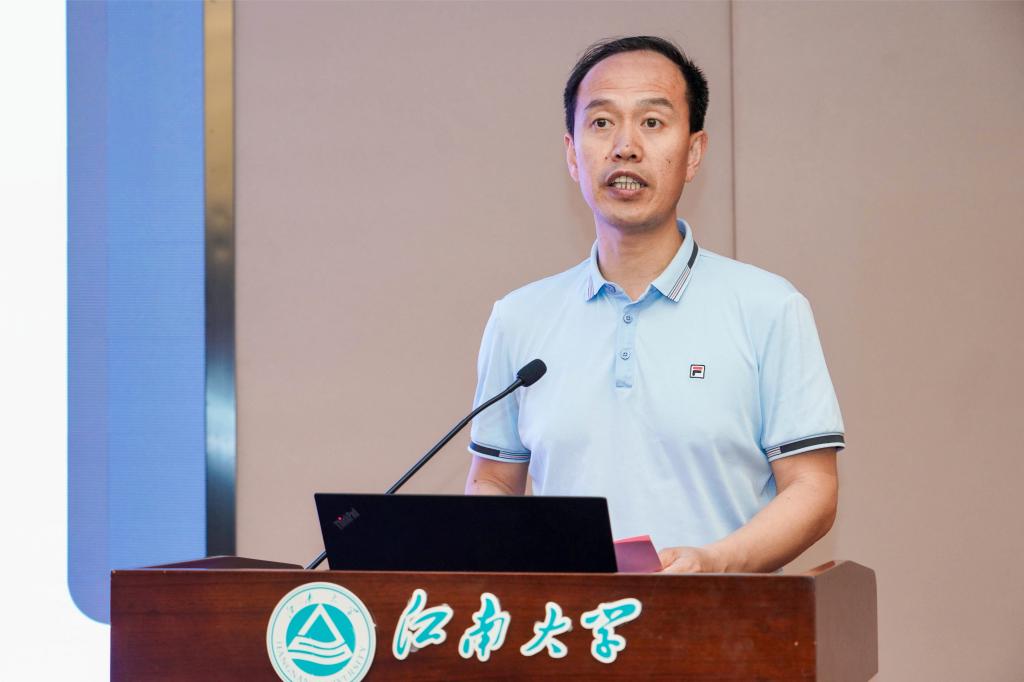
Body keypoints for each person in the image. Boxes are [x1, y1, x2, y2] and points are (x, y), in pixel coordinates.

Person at [464, 36, 844, 574]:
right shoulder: (518, 318)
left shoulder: (770, 308)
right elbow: (493, 481)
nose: (625, 147)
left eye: (652, 122)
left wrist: (715, 563)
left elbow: (813, 488)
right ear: (572, 153)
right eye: (601, 123)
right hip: (568, 621)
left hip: (723, 617)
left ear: (693, 153)